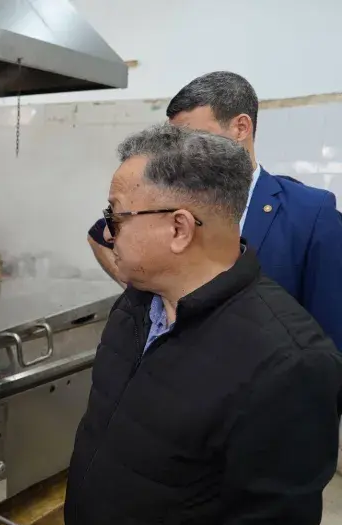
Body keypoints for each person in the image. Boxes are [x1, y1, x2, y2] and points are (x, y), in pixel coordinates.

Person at [62, 123, 342, 525]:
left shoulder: (287, 363)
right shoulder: (137, 304)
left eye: (117, 216)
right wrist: (84, 523)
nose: (107, 232)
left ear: (179, 228)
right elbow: (105, 433)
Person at [87, 71, 342, 349]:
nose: (181, 153)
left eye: (195, 138)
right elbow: (100, 234)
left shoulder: (309, 214)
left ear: (241, 128)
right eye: (175, 141)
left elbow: (331, 333)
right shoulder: (166, 204)